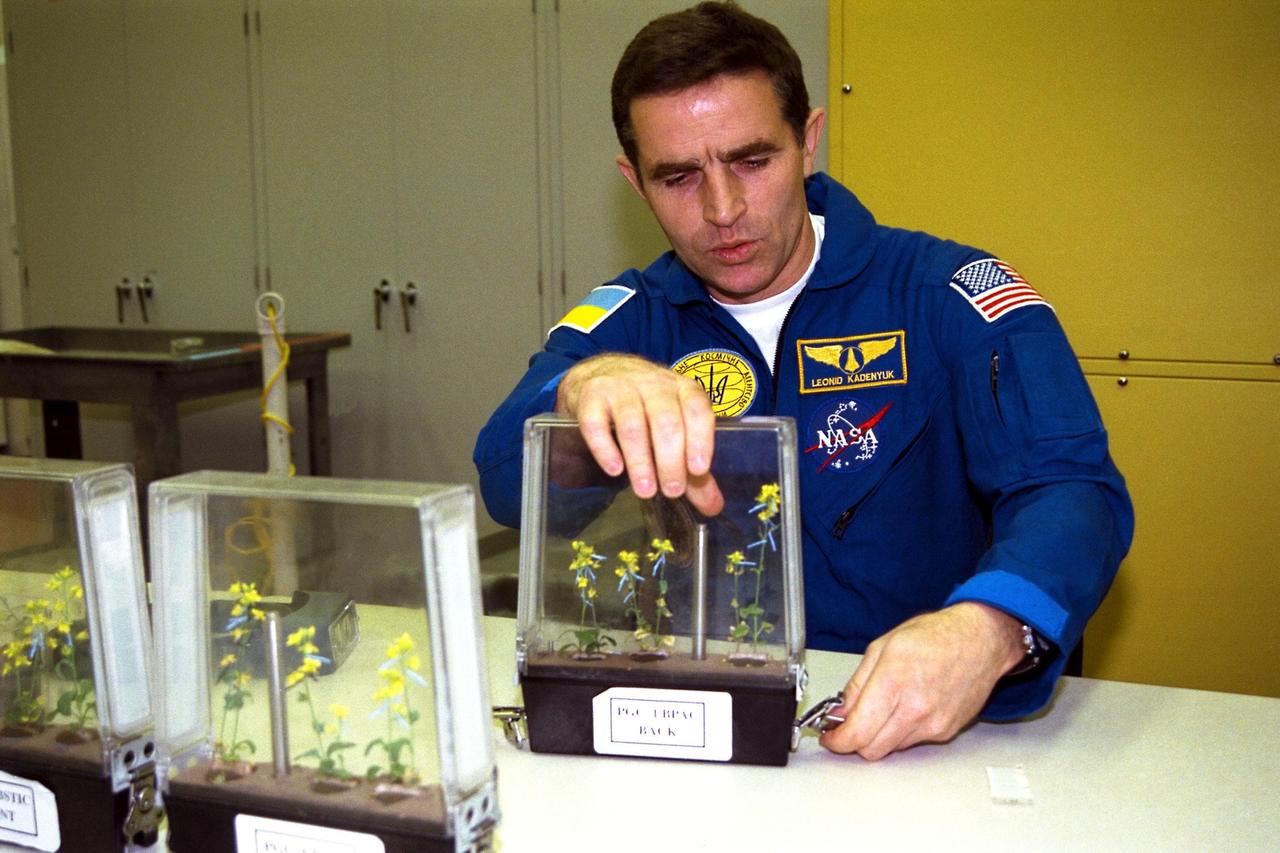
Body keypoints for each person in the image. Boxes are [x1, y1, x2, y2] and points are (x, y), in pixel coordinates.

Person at [474, 1, 1133, 761]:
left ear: (809, 140)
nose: (722, 210)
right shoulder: (632, 320)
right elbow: (499, 476)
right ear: (635, 181)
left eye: (753, 161)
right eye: (679, 177)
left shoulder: (946, 294)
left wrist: (989, 624)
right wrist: (578, 389)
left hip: (923, 740)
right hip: (709, 728)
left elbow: (1073, 488)